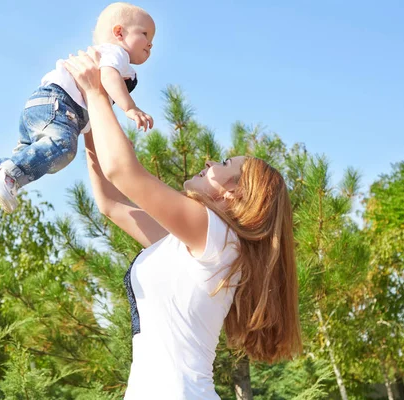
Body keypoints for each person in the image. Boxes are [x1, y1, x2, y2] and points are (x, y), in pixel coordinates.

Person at [64, 48, 302, 399]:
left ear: (234, 193)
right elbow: (111, 204)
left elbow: (123, 172)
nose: (208, 161)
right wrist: (89, 125)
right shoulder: (199, 245)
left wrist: (98, 92)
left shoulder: (216, 236)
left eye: (223, 162)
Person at [0, 2, 155, 223]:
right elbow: (108, 76)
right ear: (119, 32)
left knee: (30, 158)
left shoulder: (111, 63)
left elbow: (97, 119)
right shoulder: (116, 54)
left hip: (42, 106)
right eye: (145, 34)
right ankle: (7, 175)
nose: (150, 43)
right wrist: (131, 107)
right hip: (58, 105)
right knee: (63, 147)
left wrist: (118, 139)